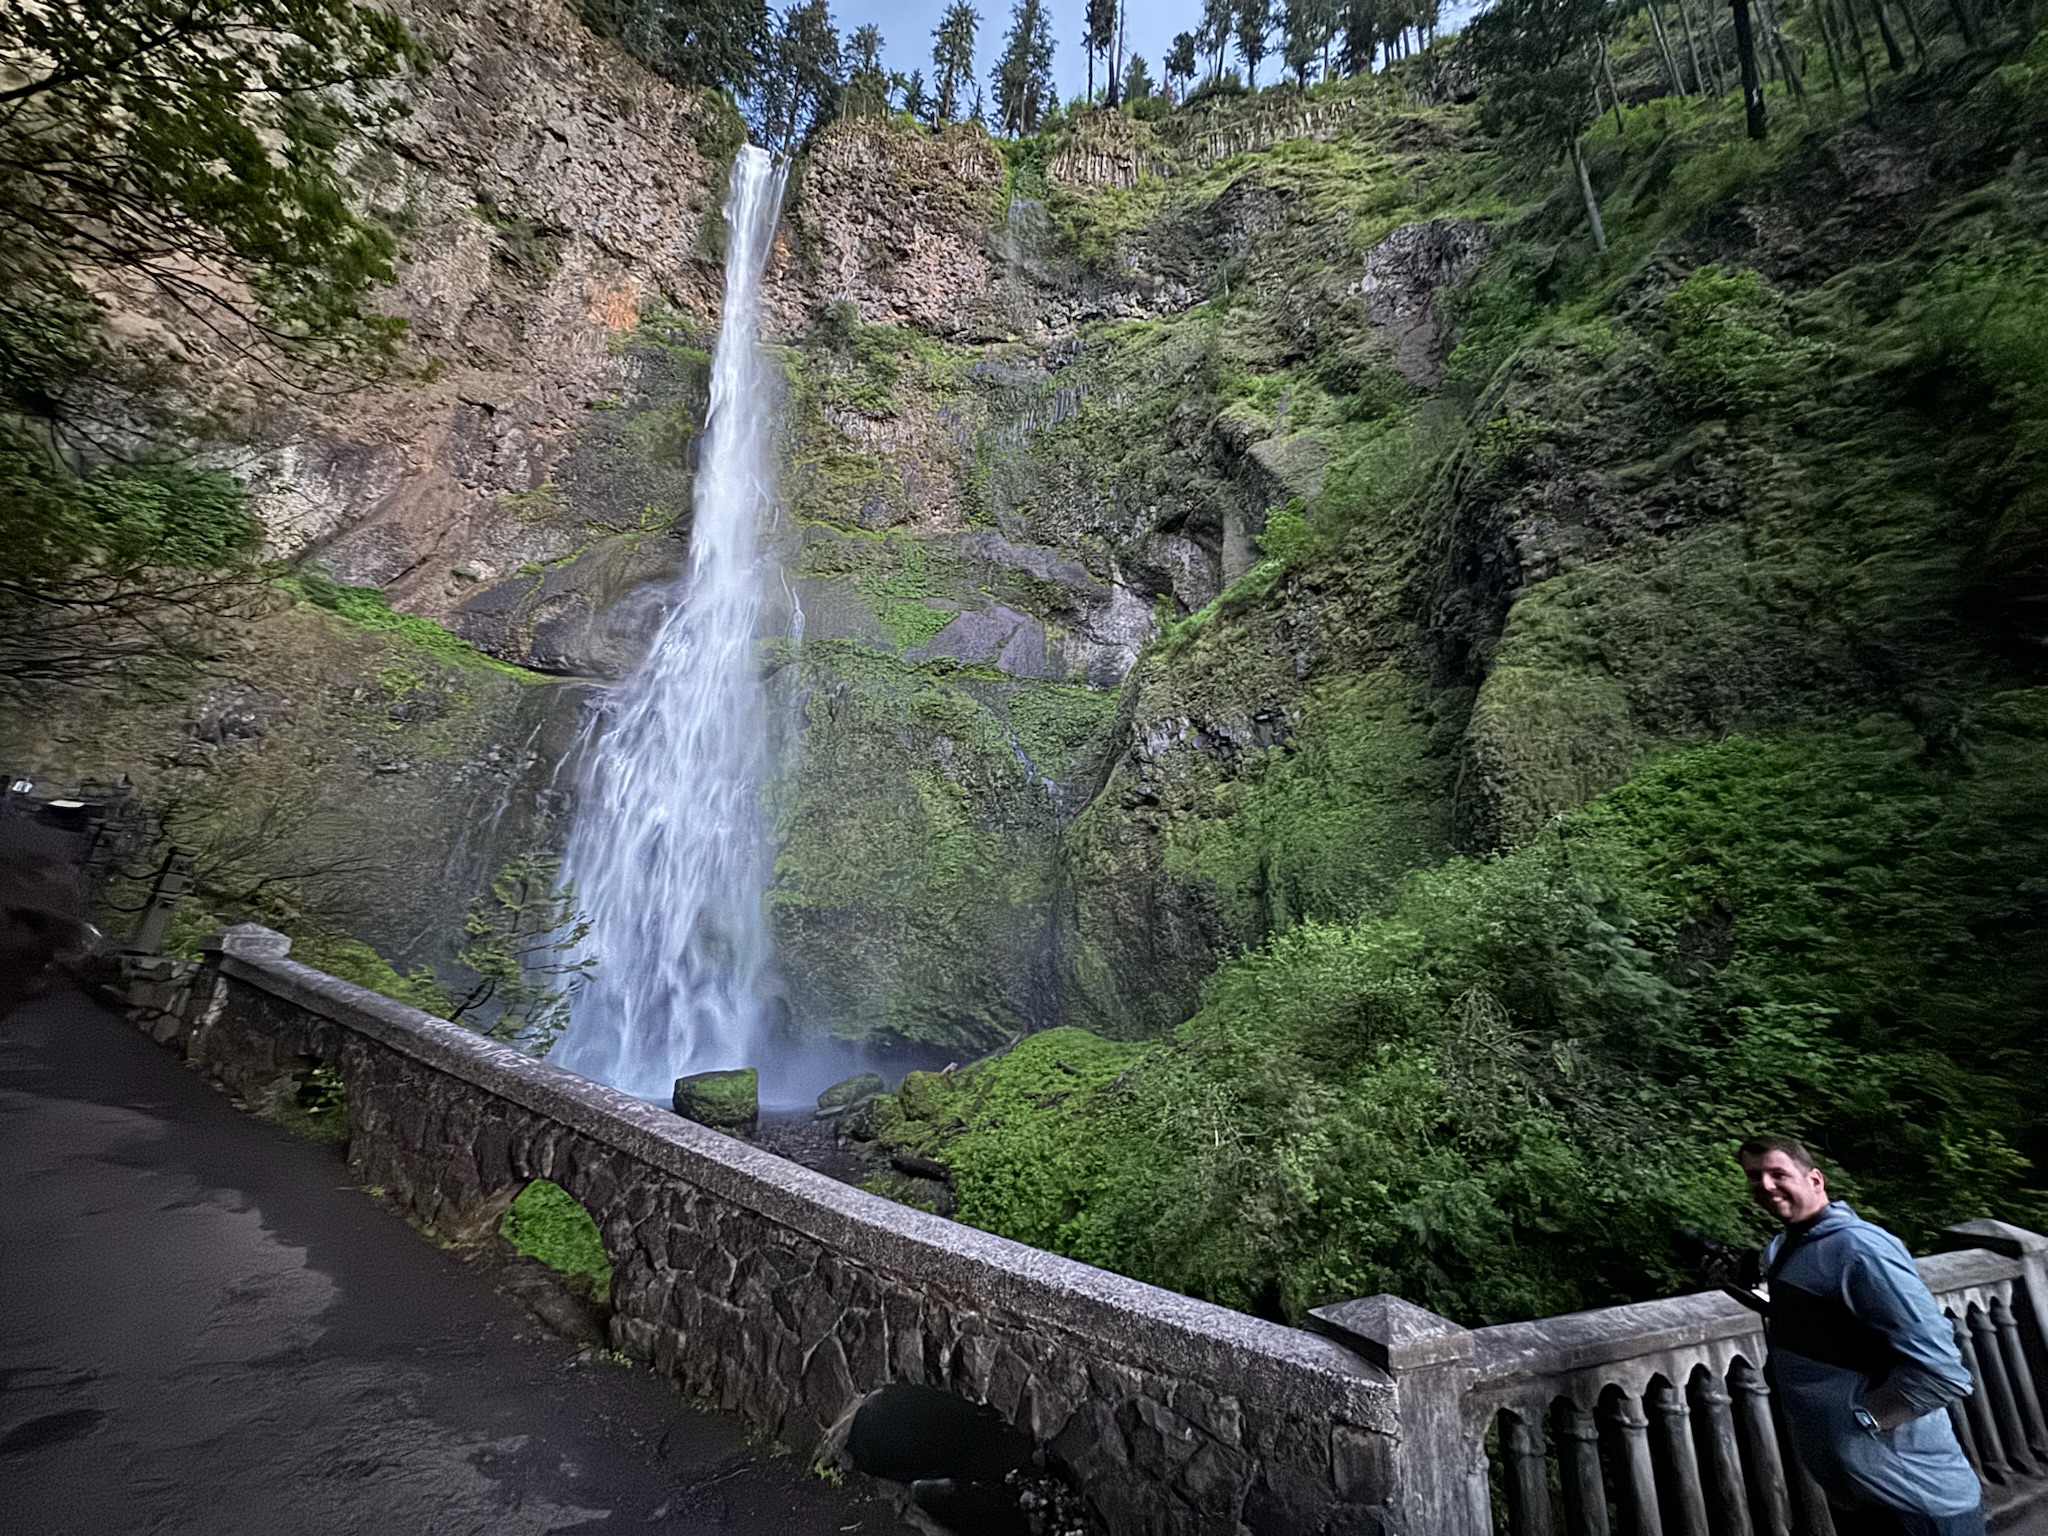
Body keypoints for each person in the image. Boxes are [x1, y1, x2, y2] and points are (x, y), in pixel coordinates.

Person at [1738, 1134, 1987, 1536]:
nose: (1765, 1185)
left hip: (1916, 1498)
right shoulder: (1784, 1246)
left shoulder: (1861, 1250)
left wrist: (1862, 1421)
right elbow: (1823, 1326)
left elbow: (1942, 1372)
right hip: (1854, 1493)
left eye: (1777, 1173)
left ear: (1815, 1180)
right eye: (1755, 1176)